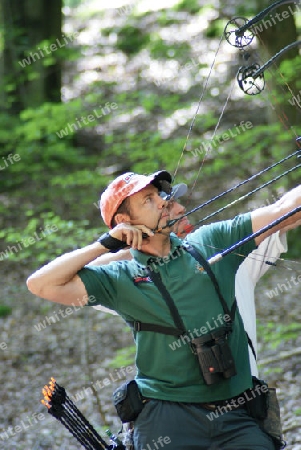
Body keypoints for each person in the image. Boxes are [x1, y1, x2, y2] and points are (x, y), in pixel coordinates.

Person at [27, 170, 301, 450]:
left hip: (237, 414)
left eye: (159, 195)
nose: (161, 202)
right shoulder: (120, 278)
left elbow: (286, 211)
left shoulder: (210, 241)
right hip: (168, 419)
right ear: (124, 222)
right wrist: (104, 245)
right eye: (148, 199)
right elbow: (40, 284)